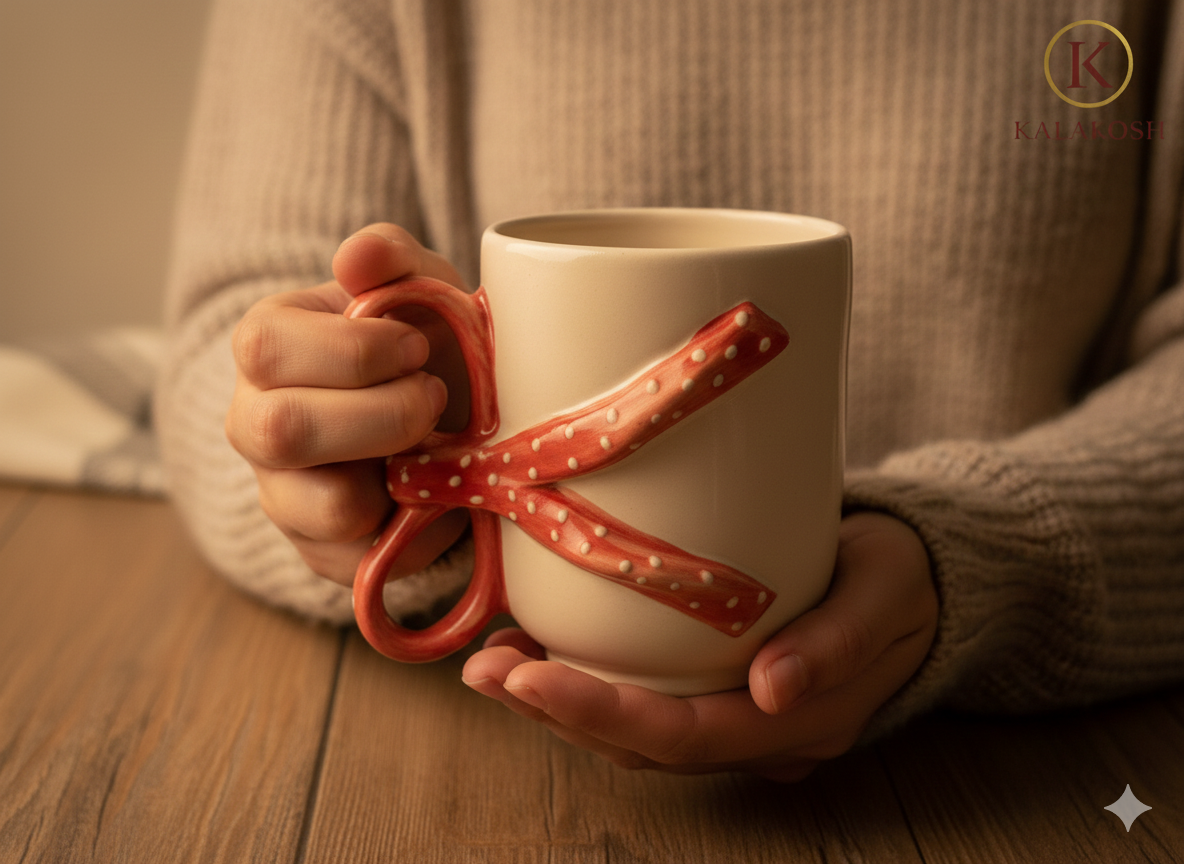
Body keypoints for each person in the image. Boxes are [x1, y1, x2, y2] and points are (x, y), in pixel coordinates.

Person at [158, 0, 1184, 781]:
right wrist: (355, 471)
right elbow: (230, 333)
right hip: (469, 735)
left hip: (1053, 758)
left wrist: (985, 550)